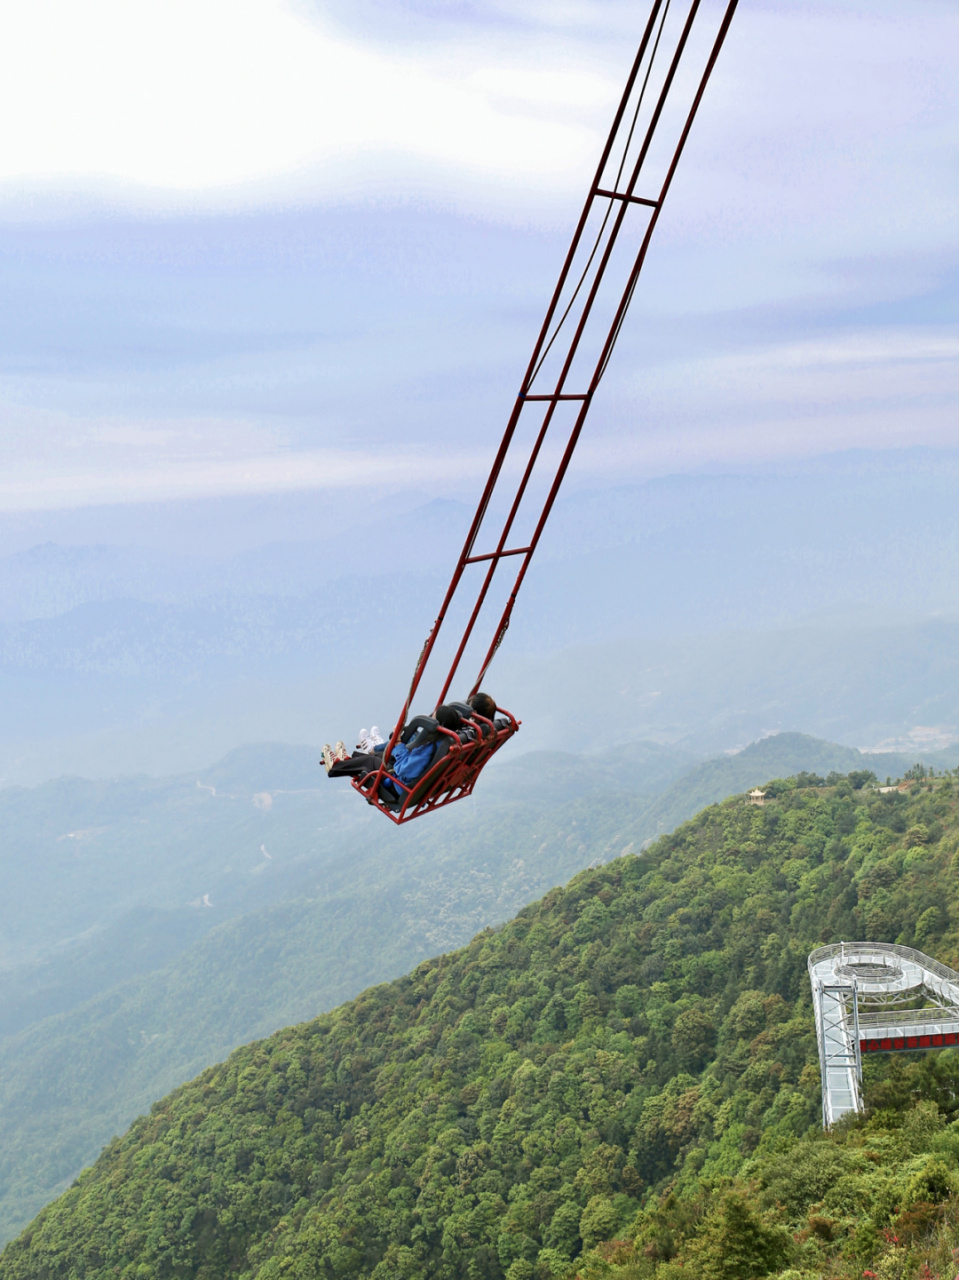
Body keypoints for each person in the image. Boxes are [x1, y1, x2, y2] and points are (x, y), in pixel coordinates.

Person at [321, 705, 465, 798]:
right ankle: (348, 761)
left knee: (371, 761)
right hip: (407, 780)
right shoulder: (443, 742)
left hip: (399, 787)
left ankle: (335, 767)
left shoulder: (428, 750)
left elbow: (404, 769)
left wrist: (397, 742)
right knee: (381, 756)